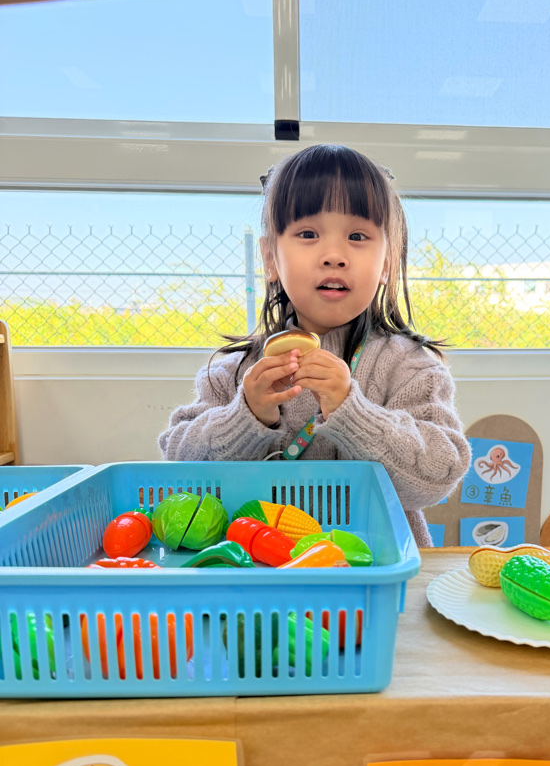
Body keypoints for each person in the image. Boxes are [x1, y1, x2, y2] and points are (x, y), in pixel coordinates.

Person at [159, 144, 470, 546]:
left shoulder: (410, 366)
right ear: (270, 258)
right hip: (264, 572)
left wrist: (352, 412)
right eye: (308, 234)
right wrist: (246, 416)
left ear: (387, 262)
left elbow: (438, 477)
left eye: (357, 236)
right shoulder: (236, 372)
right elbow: (179, 467)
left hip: (377, 569)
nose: (334, 256)